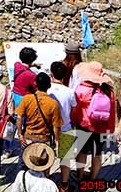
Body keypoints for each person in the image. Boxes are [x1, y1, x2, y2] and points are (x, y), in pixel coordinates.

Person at [71, 61, 116, 181]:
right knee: (97, 153)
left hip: (84, 124)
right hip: (102, 127)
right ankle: (93, 178)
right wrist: (111, 128)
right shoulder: (109, 91)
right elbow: (112, 112)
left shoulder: (81, 89)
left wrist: (73, 120)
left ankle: (79, 176)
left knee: (82, 151)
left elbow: (76, 109)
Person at [49, 61, 78, 192]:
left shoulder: (47, 90)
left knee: (47, 156)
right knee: (65, 158)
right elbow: (74, 109)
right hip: (66, 128)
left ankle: (46, 179)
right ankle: (64, 184)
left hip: (49, 129)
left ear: (51, 74)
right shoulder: (70, 92)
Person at [17, 72, 63, 154]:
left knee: (26, 159)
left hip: (28, 138)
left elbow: (19, 117)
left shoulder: (26, 99)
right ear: (49, 86)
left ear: (35, 83)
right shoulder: (53, 103)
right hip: (44, 139)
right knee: (44, 161)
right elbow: (56, 126)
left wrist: (20, 134)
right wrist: (57, 141)